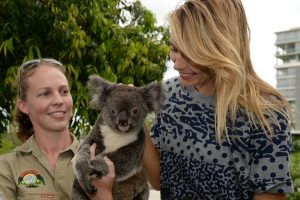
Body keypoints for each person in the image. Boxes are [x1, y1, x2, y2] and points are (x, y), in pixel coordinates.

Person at [142, 0, 294, 199]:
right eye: (174, 49)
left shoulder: (266, 113)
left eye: (190, 52)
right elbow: (160, 180)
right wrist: (136, 124)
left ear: (221, 47)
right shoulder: (167, 95)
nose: (177, 64)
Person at [0, 58, 115, 200]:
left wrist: (103, 193)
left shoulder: (103, 161)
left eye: (64, 91)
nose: (59, 100)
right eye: (45, 93)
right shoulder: (7, 167)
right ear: (24, 106)